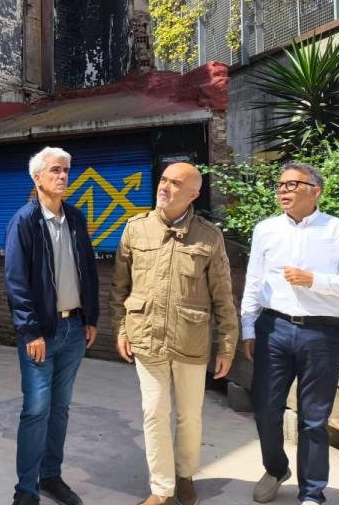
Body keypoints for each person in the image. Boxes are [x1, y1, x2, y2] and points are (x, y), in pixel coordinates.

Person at [241, 162, 339, 505]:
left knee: (313, 419)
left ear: (315, 190)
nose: (283, 190)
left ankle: (312, 492)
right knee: (266, 409)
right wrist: (247, 327)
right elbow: (254, 280)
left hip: (322, 333)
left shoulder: (338, 230)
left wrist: (315, 280)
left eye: (293, 184)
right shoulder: (266, 229)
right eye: (280, 184)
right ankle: (275, 467)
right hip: (273, 328)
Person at [112, 162, 238, 505]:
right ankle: (162, 489)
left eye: (175, 183)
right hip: (146, 335)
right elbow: (120, 287)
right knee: (154, 412)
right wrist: (121, 327)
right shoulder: (135, 229)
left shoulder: (208, 236)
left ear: (193, 193)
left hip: (191, 338)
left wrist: (226, 346)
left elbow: (223, 297)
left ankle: (185, 474)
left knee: (189, 415)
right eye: (164, 180)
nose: (165, 187)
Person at [5, 146, 100, 505]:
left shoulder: (75, 218)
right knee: (36, 409)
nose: (62, 176)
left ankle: (51, 477)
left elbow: (88, 270)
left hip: (74, 330)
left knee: (60, 408)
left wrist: (91, 318)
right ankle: (25, 490)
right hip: (41, 334)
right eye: (55, 171)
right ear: (37, 177)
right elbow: (16, 282)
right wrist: (30, 331)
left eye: (65, 171)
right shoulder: (25, 221)